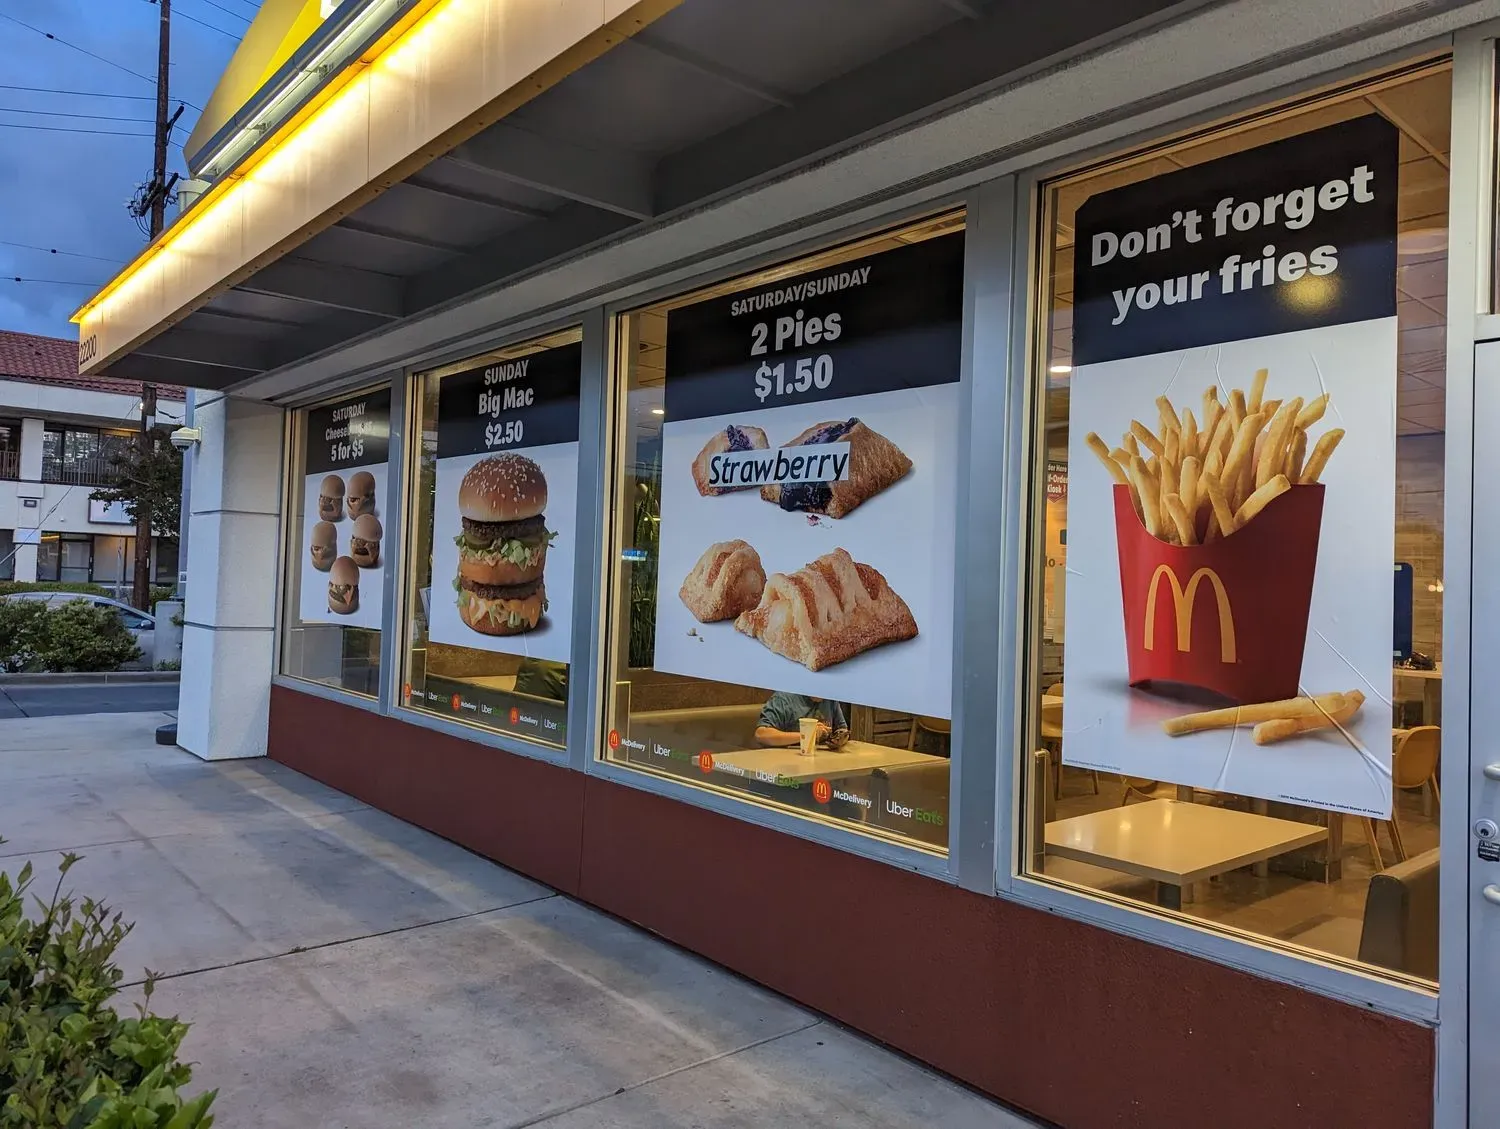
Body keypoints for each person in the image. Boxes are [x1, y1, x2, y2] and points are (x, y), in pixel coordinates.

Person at [755, 692, 849, 748]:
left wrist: (839, 740)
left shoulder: (830, 699)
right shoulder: (783, 698)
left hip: (822, 761)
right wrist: (807, 734)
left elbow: (842, 730)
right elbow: (761, 734)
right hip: (787, 762)